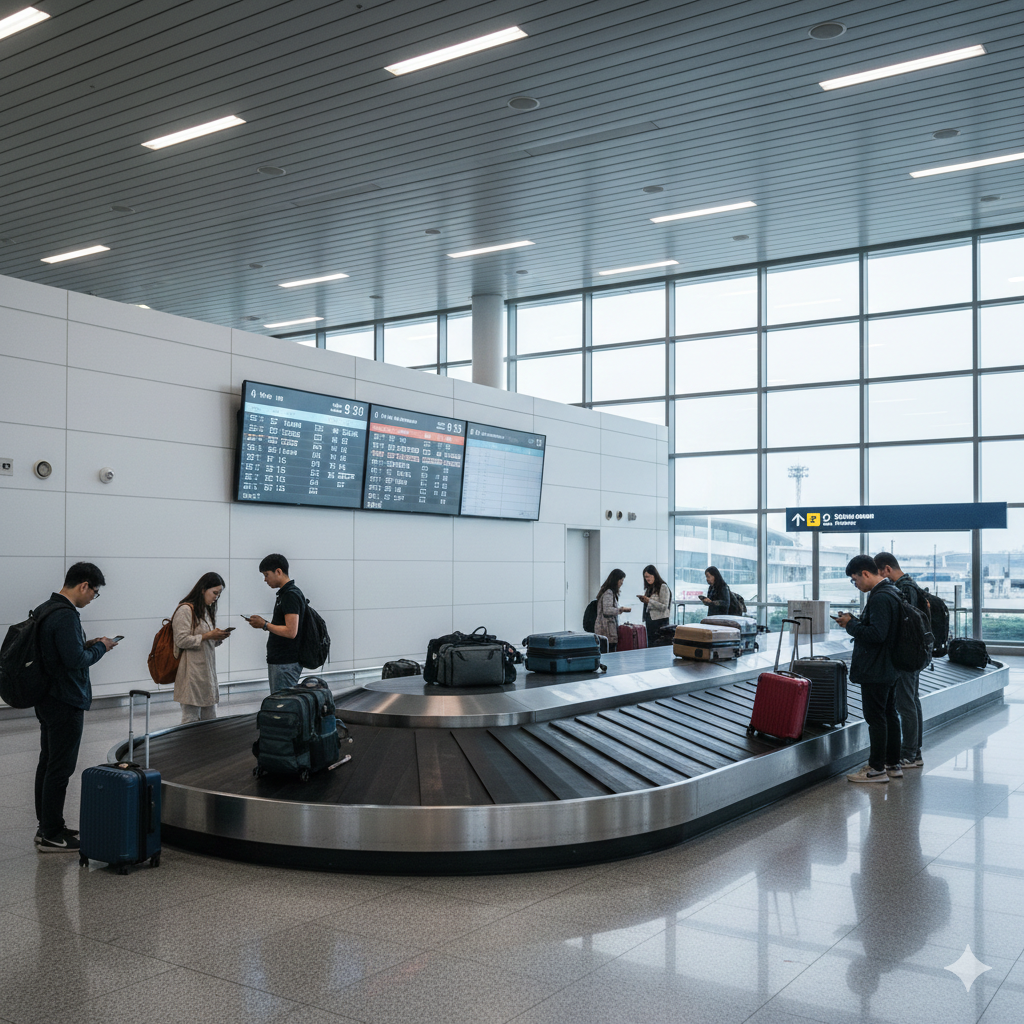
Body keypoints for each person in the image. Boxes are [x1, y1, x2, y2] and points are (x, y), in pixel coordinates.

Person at [34, 562, 118, 852]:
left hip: (46, 698)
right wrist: (102, 647)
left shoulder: (45, 608)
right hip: (65, 700)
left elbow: (60, 652)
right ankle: (51, 834)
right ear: (84, 585)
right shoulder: (66, 615)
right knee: (60, 768)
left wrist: (88, 643)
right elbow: (76, 661)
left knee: (47, 763)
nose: (93, 598)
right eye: (94, 592)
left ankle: (47, 826)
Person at [836, 555, 903, 783]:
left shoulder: (880, 597)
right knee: (889, 714)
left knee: (876, 718)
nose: (855, 584)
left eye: (855, 579)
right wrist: (855, 620)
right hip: (891, 665)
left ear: (865, 573)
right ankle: (892, 763)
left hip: (877, 668)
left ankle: (876, 769)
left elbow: (877, 634)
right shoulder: (892, 591)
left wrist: (851, 625)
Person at [875, 552, 929, 770]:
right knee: (912, 700)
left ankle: (909, 754)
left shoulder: (903, 589)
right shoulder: (912, 585)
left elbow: (901, 624)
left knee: (905, 703)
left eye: (880, 573)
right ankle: (915, 751)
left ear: (887, 569)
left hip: (907, 654)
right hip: (916, 652)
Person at [172, 572, 232, 724]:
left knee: (210, 719)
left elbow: (205, 641)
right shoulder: (185, 610)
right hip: (191, 673)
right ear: (203, 589)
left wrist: (217, 638)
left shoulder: (206, 610)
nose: (216, 597)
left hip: (206, 673)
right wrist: (207, 636)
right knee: (190, 719)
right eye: (215, 593)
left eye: (219, 594)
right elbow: (181, 640)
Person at [247, 553, 304, 691]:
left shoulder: (290, 595)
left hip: (285, 662)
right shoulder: (285, 594)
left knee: (282, 702)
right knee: (280, 700)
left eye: (266, 575)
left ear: (278, 571)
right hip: (282, 661)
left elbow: (291, 632)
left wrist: (264, 624)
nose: (265, 579)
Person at [594, 569, 631, 651]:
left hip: (605, 630)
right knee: (610, 653)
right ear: (615, 580)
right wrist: (621, 610)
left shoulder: (606, 591)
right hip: (607, 630)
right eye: (621, 580)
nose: (622, 583)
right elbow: (607, 610)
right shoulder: (609, 593)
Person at [638, 564, 672, 637]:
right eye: (645, 577)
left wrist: (649, 601)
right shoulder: (649, 588)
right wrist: (645, 600)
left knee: (659, 642)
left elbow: (664, 607)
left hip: (660, 621)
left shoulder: (663, 587)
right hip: (650, 620)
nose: (647, 579)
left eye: (649, 576)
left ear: (654, 575)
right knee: (650, 642)